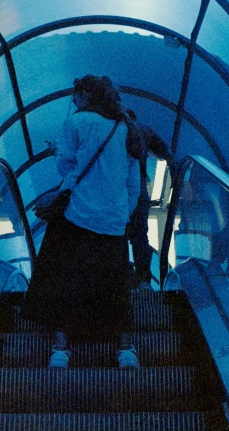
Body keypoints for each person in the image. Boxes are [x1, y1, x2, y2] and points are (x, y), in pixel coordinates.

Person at [23, 75, 143, 368]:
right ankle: (126, 350)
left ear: (86, 95)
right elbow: (133, 183)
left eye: (75, 95)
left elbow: (66, 165)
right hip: (113, 222)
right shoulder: (126, 127)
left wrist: (55, 152)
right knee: (117, 284)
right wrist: (120, 214)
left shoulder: (77, 123)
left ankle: (61, 351)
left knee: (65, 280)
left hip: (76, 217)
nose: (72, 100)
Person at [124, 109, 177, 291]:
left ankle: (121, 278)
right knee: (140, 236)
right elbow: (166, 152)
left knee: (116, 235)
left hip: (115, 192)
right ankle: (144, 281)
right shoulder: (144, 130)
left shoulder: (113, 129)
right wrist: (175, 179)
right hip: (139, 191)